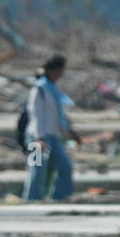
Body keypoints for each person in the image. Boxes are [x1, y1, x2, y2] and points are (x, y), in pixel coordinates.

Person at [22, 54, 82, 201]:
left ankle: (60, 198)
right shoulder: (39, 89)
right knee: (36, 171)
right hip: (37, 137)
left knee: (65, 167)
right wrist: (39, 138)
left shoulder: (52, 89)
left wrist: (70, 132)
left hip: (53, 136)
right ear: (51, 70)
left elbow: (57, 116)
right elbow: (35, 115)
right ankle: (32, 200)